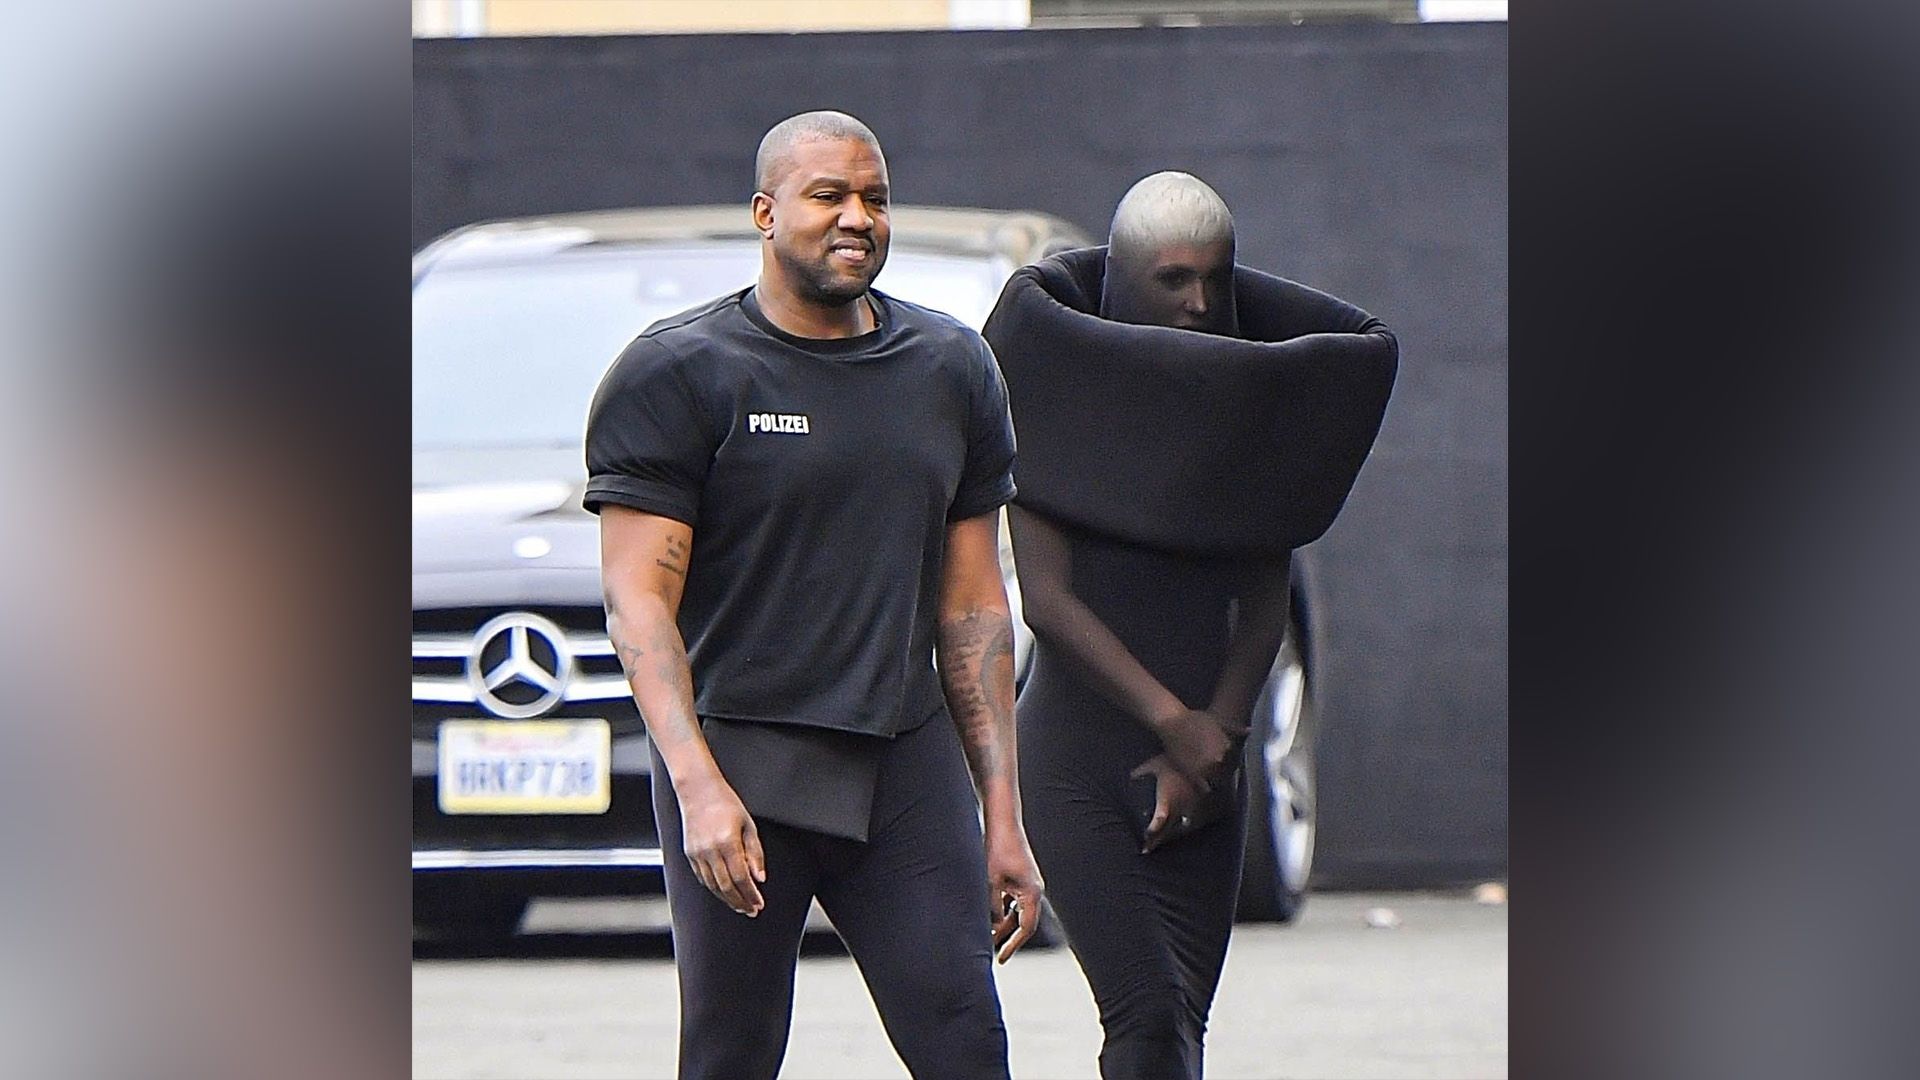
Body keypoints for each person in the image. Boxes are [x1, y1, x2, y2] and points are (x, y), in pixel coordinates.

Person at [583, 110, 1044, 1080]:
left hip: (902, 758)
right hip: (740, 760)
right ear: (764, 212)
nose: (857, 218)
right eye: (828, 194)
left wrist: (1002, 815)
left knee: (967, 1039)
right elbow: (639, 609)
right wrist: (697, 787)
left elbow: (973, 608)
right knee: (732, 1052)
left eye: (874, 198)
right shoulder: (679, 373)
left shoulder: (952, 370)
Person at [982, 171, 1398, 1079]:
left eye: (1215, 278)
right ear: (1124, 277)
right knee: (1148, 1021)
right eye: (1173, 280)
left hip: (1209, 770)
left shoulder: (1239, 409)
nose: (1200, 303)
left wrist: (1221, 736)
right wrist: (1179, 725)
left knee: (1182, 1037)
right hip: (1084, 766)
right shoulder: (1053, 387)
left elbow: (1264, 578)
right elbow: (1049, 602)